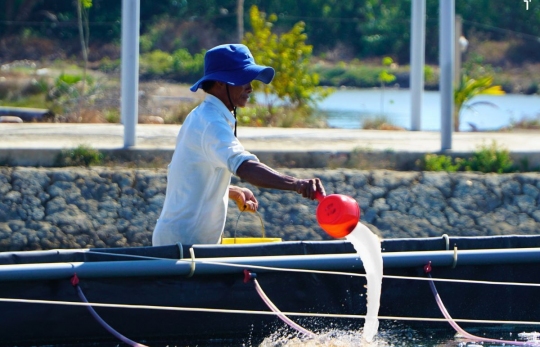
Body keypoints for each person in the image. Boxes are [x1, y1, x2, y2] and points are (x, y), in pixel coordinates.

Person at [152, 43, 326, 246]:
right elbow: (244, 167)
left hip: (187, 242)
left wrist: (230, 190)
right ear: (219, 82)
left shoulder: (203, 115)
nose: (250, 87)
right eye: (242, 79)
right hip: (182, 245)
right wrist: (297, 184)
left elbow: (188, 177)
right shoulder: (211, 123)